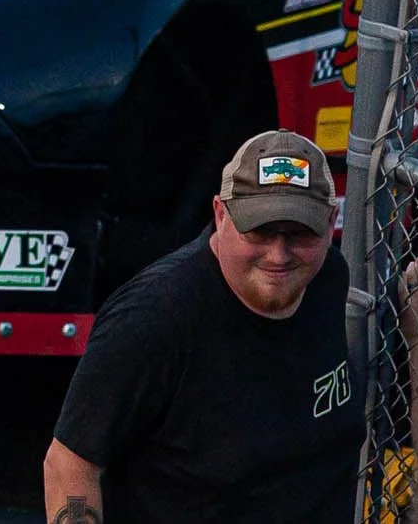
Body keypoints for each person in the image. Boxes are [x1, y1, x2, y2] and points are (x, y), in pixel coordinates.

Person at [43, 129, 359, 522]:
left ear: (331, 222)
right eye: (259, 231)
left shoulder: (329, 281)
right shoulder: (153, 318)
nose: (279, 255)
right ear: (220, 213)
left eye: (300, 233)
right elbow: (69, 463)